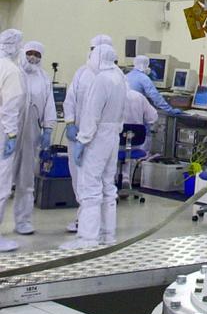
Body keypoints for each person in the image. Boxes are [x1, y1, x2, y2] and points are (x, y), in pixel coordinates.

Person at [62, 44, 127, 250]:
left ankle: (87, 239)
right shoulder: (119, 77)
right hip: (113, 136)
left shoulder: (101, 80)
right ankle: (108, 235)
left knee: (89, 187)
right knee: (108, 186)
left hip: (97, 137)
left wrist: (83, 139)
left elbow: (92, 114)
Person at [63, 34, 113, 234]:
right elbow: (70, 99)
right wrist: (69, 122)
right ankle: (83, 218)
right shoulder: (82, 73)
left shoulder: (112, 77)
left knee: (99, 182)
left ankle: (98, 223)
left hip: (100, 138)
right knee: (79, 179)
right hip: (78, 135)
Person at [11, 42, 57, 236]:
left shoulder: (43, 78)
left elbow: (49, 105)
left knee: (26, 179)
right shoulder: (13, 73)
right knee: (2, 179)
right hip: (9, 130)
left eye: (37, 54)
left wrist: (48, 128)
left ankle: (23, 221)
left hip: (32, 131)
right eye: (29, 53)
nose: (32, 57)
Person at [0, 29, 25, 252]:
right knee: (1, 184)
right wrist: (11, 134)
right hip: (1, 131)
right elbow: (10, 106)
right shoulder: (11, 70)